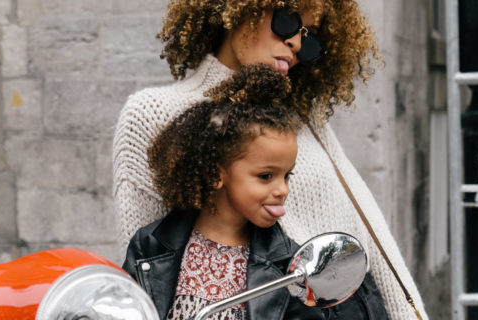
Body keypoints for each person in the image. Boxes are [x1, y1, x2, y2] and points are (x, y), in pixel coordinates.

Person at [113, 0, 428, 318]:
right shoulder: (155, 113)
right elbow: (148, 276)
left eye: (311, 36)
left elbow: (369, 231)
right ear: (237, 8)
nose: (296, 42)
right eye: (287, 20)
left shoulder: (301, 119)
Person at [122, 65, 388, 320]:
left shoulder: (288, 268)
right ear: (215, 174)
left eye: (287, 175)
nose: (282, 189)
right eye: (265, 176)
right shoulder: (152, 245)